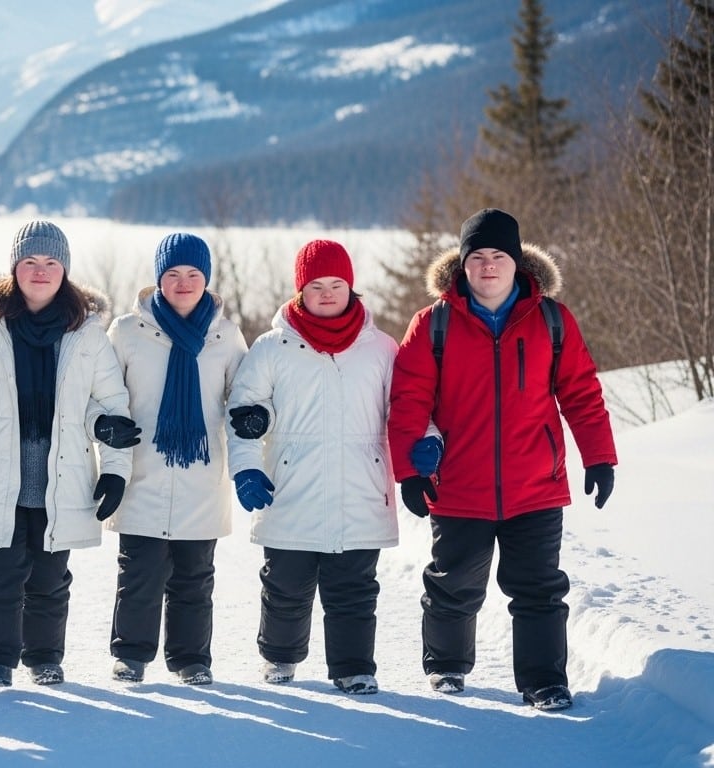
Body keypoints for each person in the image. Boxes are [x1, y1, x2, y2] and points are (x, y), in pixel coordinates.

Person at [388, 208, 617, 712]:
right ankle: (446, 666)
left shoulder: (552, 320)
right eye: (477, 257)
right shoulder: (434, 324)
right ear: (462, 265)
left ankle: (544, 681)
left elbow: (581, 392)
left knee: (538, 588)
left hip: (536, 482)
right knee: (453, 583)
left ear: (517, 263)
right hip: (460, 484)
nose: (488, 266)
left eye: (498, 256)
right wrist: (409, 470)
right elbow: (407, 401)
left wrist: (599, 457)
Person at [0, 220, 138, 687]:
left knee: (49, 577)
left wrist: (116, 470)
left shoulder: (86, 332)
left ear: (64, 270)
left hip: (61, 476)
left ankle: (44, 657)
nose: (40, 271)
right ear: (14, 268)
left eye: (50, 263)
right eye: (30, 262)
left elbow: (110, 407)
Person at [226, 239, 401, 695]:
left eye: (336, 284)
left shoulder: (380, 348)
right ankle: (279, 658)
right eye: (316, 285)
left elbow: (409, 410)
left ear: (351, 287)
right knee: (286, 585)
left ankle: (354, 667)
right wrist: (246, 468)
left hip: (360, 486)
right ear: (300, 290)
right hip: (290, 486)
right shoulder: (271, 348)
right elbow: (243, 411)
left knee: (355, 590)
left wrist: (424, 454)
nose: (326, 293)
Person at [102, 233, 246, 686]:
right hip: (142, 469)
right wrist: (107, 434)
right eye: (172, 274)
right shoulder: (127, 331)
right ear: (158, 278)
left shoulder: (226, 335)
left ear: (207, 279)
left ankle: (191, 659)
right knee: (139, 572)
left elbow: (242, 398)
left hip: (201, 476)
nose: (183, 283)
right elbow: (105, 396)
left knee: (194, 576)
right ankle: (131, 655)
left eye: (193, 274)